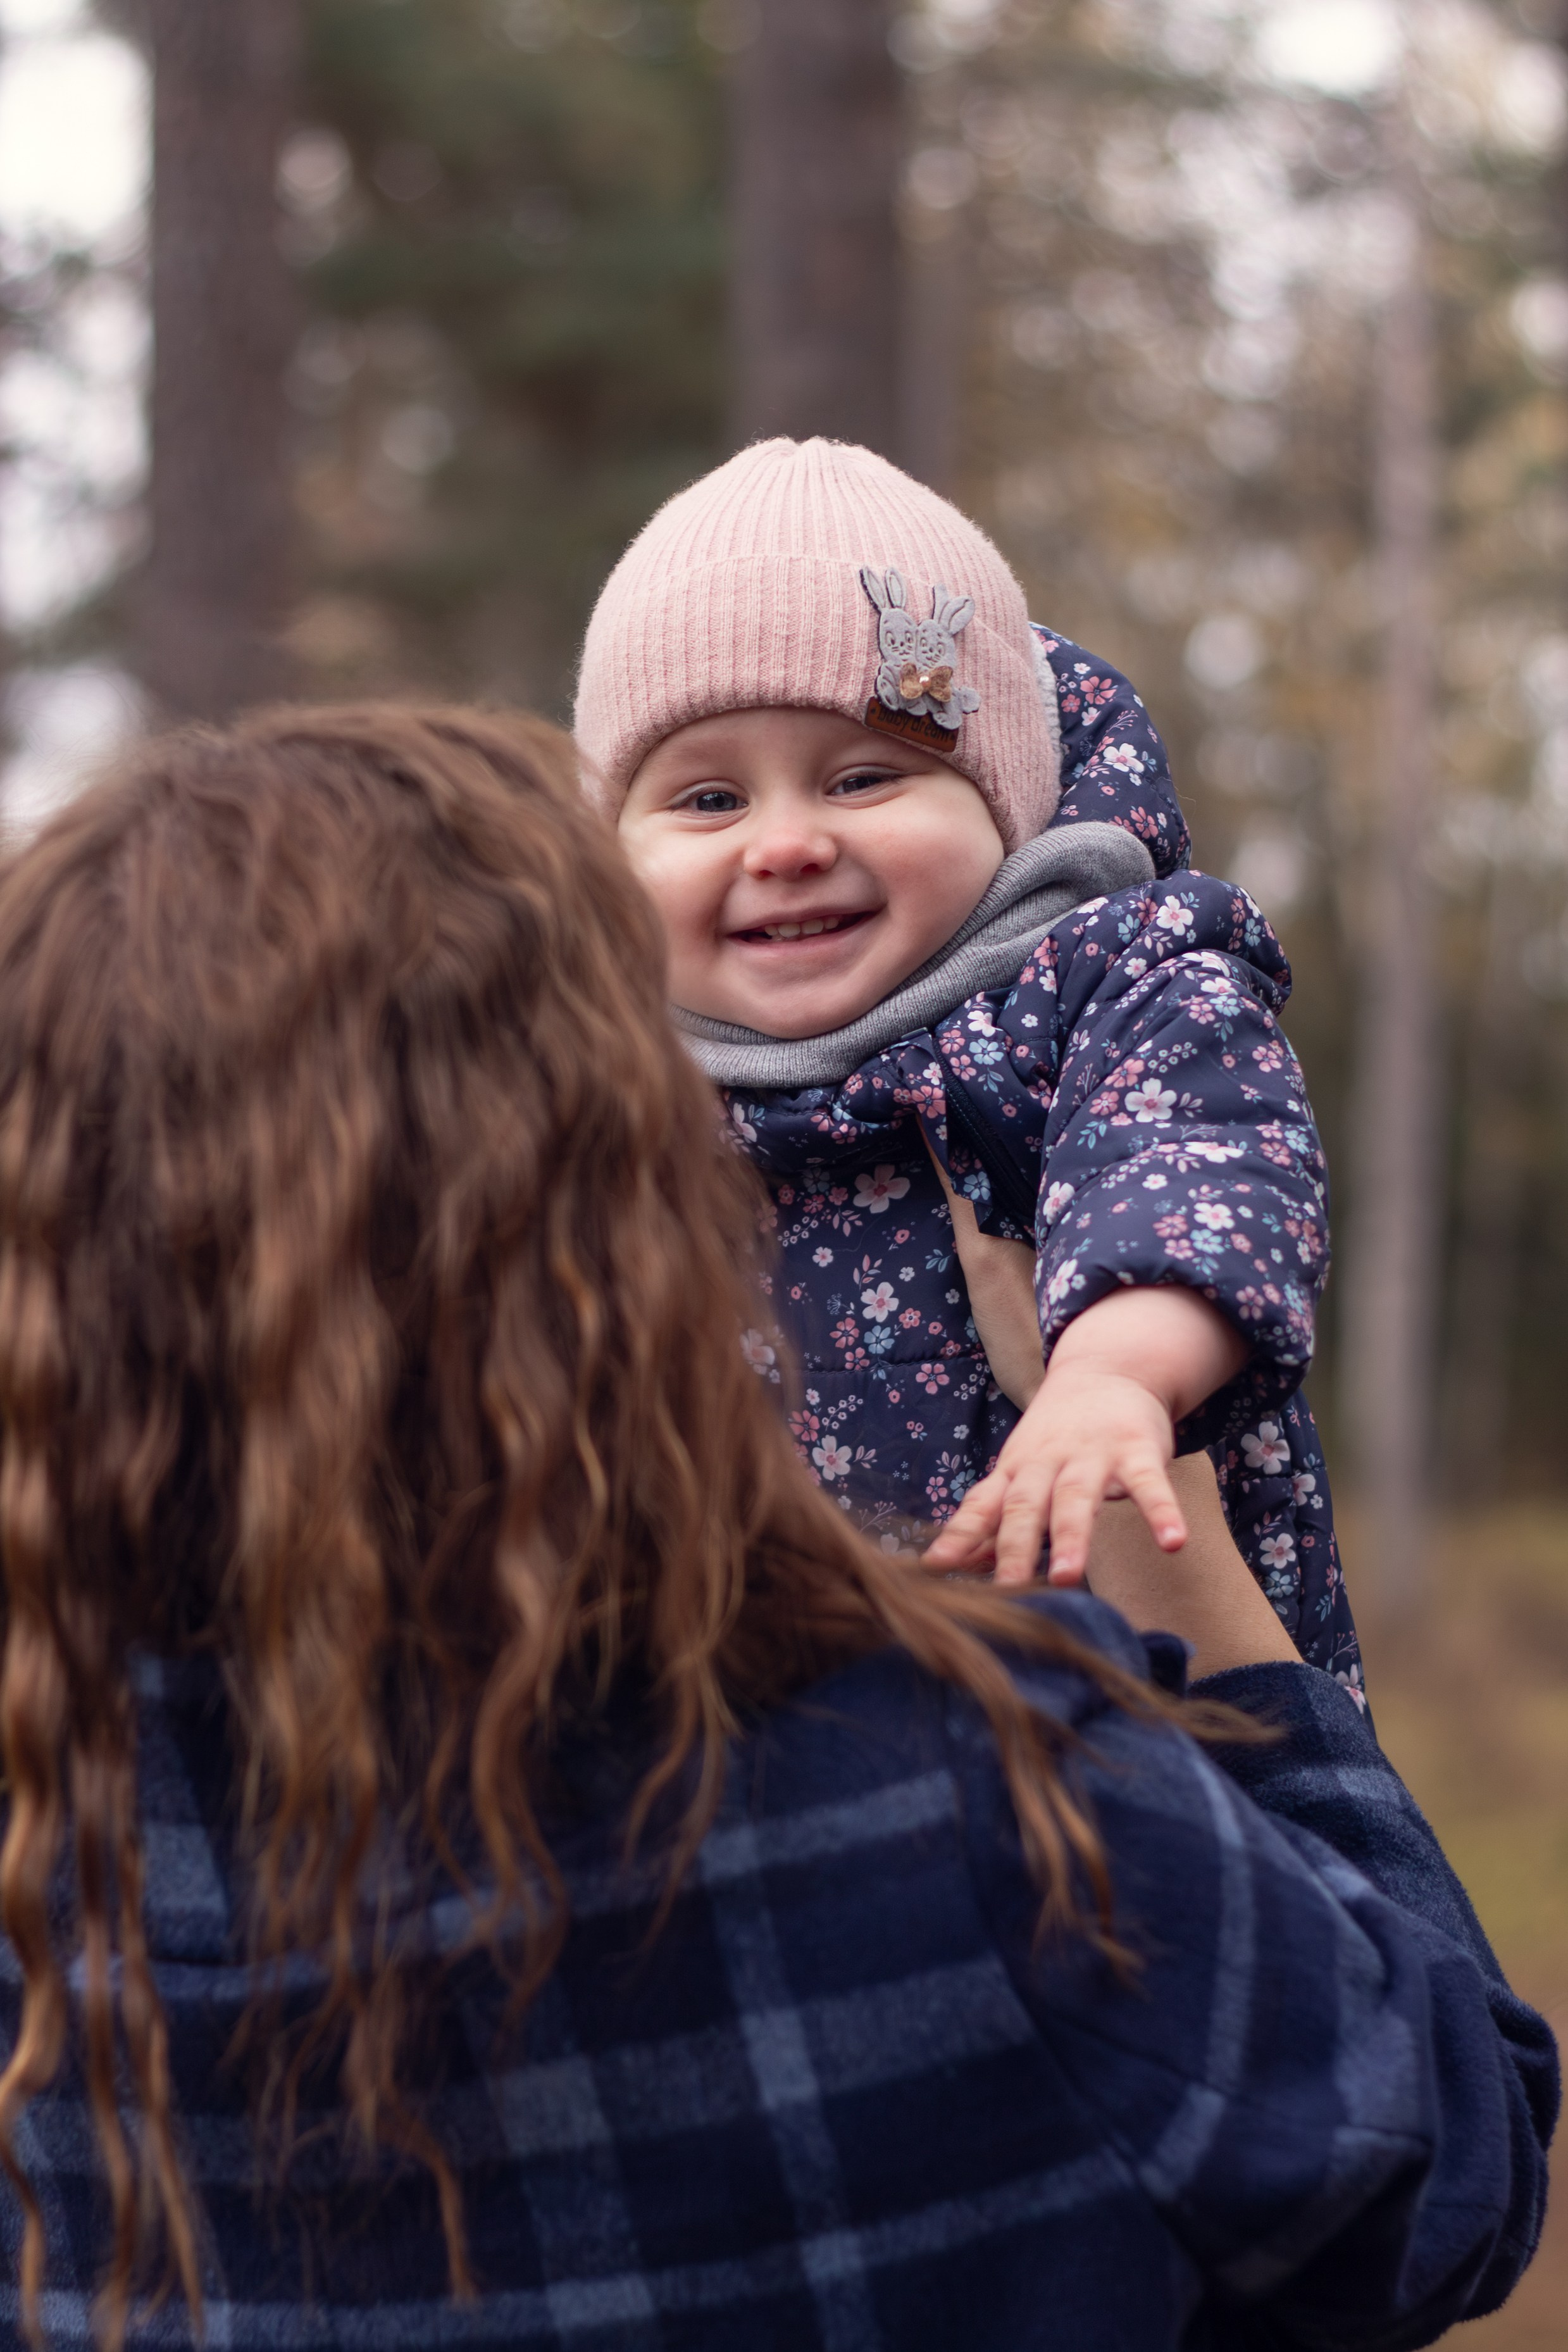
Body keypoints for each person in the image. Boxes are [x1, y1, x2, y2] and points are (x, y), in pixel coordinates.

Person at [0, 703, 1552, 2352]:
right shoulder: (962, 1793)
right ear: (619, 1182)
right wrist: (1152, 1505)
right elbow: (1442, 2163)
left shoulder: (52, 1848)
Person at [575, 436, 1360, 1694]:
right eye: (709, 801)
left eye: (863, 776)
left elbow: (1206, 1168)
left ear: (1003, 806)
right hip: (756, 1721)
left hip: (1118, 1688)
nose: (786, 842)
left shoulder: (1096, 984)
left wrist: (1110, 1379)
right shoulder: (599, 1080)